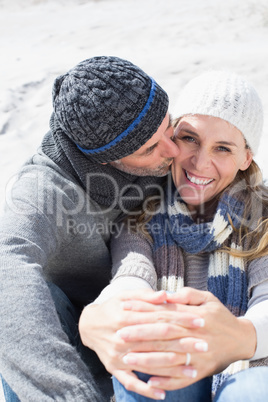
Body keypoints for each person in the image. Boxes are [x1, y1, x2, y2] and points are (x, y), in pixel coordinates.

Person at [0, 56, 180, 401]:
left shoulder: (165, 142)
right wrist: (67, 393)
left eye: (168, 125)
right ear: (103, 159)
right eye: (150, 148)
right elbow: (5, 263)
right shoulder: (42, 188)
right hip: (73, 340)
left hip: (149, 311)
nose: (173, 151)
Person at [96, 70, 268, 401]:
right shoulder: (141, 214)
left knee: (254, 389)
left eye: (222, 148)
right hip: (178, 369)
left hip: (247, 369)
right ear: (172, 138)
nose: (200, 162)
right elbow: (131, 277)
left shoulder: (262, 217)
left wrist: (232, 334)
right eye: (190, 138)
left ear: (246, 157)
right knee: (150, 363)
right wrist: (115, 310)